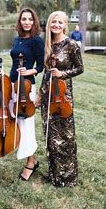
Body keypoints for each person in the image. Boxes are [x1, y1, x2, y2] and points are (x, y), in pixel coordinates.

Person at [36, 11, 84, 187]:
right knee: (50, 135)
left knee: (66, 137)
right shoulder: (48, 44)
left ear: (65, 25)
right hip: (48, 94)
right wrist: (40, 94)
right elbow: (46, 74)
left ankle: (68, 177)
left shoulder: (71, 44)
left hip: (63, 95)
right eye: (53, 22)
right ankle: (54, 174)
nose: (56, 25)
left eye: (59, 22)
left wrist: (63, 73)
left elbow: (80, 68)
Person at [9, 8, 45, 181]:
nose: (27, 22)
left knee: (26, 124)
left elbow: (40, 66)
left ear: (34, 21)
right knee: (15, 120)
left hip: (27, 86)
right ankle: (31, 158)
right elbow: (14, 61)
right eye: (24, 19)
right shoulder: (17, 39)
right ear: (20, 21)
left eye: (30, 19)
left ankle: (31, 162)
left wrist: (28, 71)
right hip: (13, 84)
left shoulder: (37, 41)